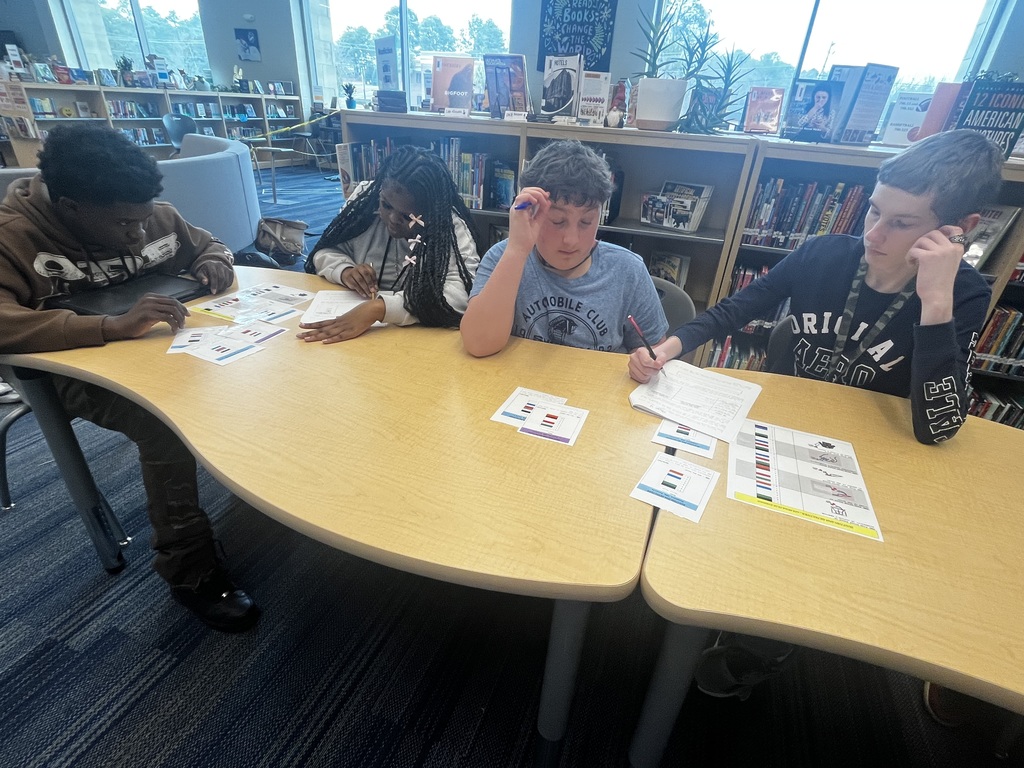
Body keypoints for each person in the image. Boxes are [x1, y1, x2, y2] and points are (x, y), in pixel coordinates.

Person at [628, 128, 1002, 699]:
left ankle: (765, 648)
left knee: (809, 578)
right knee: (713, 535)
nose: (873, 234)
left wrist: (937, 303)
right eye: (874, 210)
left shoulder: (963, 295)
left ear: (959, 232)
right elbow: (737, 309)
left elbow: (938, 426)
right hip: (777, 432)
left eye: (901, 223)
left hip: (867, 461)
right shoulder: (826, 254)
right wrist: (667, 349)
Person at [0, 123, 259, 632]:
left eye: (144, 220)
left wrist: (213, 262)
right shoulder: (14, 236)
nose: (140, 234)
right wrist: (106, 326)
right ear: (71, 206)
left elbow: (210, 245)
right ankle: (189, 569)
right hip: (72, 369)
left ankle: (267, 482)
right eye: (124, 226)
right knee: (163, 422)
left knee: (256, 371)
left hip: (161, 349)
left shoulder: (150, 214)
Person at [461, 139, 668, 356]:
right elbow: (478, 344)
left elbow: (654, 351)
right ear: (532, 211)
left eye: (586, 222)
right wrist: (517, 250)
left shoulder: (628, 271)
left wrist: (646, 362)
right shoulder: (503, 257)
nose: (571, 240)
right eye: (557, 221)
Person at [299, 145, 480, 343]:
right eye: (386, 205)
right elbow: (325, 249)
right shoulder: (364, 205)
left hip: (423, 337)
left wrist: (382, 308)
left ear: (430, 211)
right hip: (363, 334)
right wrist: (345, 270)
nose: (393, 219)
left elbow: (460, 296)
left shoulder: (450, 228)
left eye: (407, 215)